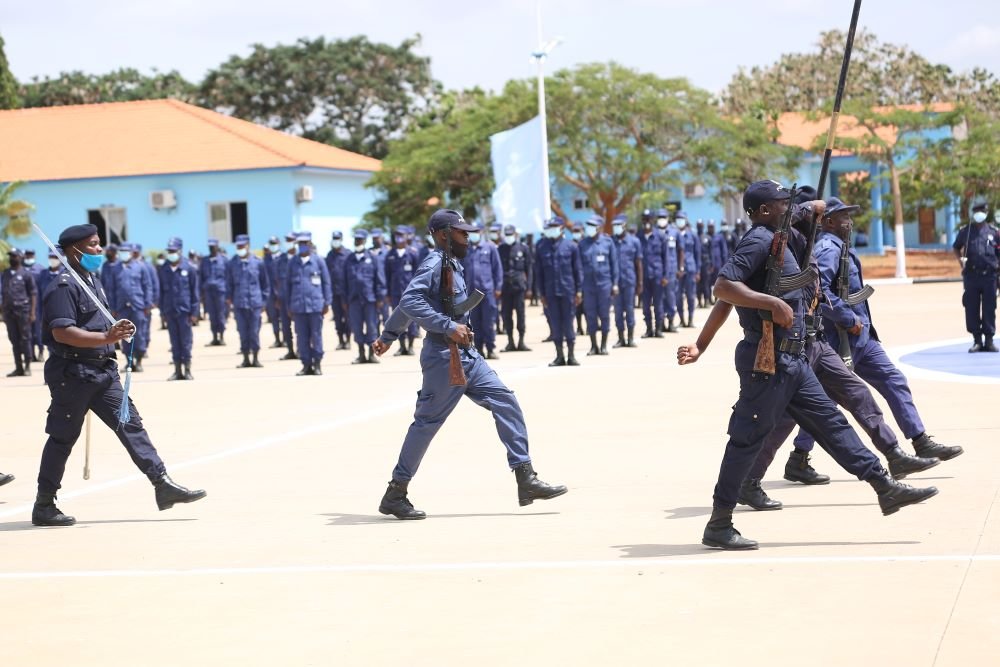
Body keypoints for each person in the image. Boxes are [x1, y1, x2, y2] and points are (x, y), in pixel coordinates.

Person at [694, 180, 937, 550]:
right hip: (767, 359)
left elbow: (813, 208)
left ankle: (883, 486)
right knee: (747, 439)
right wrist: (770, 304)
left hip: (795, 357)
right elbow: (724, 287)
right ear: (763, 211)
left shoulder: (783, 236)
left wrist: (814, 207)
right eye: (780, 204)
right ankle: (719, 523)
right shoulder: (759, 239)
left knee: (832, 423)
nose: (788, 208)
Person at [372, 209, 567, 519]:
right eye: (461, 233)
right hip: (442, 358)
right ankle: (396, 492)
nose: (468, 237)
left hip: (468, 356)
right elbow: (410, 300)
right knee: (426, 425)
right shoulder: (434, 263)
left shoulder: (453, 264)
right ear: (442, 235)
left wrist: (389, 334)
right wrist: (442, 327)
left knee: (505, 400)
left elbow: (415, 303)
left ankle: (525, 477)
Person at [31, 223, 206, 527]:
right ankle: (44, 504)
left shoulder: (91, 281)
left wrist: (117, 332)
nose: (100, 250)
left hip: (102, 373)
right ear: (75, 251)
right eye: (94, 245)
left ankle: (162, 484)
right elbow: (62, 332)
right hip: (73, 374)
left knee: (131, 425)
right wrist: (105, 338)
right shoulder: (63, 285)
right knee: (62, 439)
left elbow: (99, 326)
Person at [791, 197, 965, 462]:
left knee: (893, 380)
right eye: (843, 217)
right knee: (828, 398)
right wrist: (848, 318)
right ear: (827, 222)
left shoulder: (842, 246)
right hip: (840, 337)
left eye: (850, 216)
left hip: (862, 337)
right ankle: (799, 457)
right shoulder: (828, 247)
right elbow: (819, 291)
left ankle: (920, 440)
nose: (849, 222)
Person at [535, 217, 583, 366]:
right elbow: (539, 272)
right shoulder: (541, 246)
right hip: (550, 293)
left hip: (568, 291)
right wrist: (541, 293)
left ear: (562, 228)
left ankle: (571, 355)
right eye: (550, 227)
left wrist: (579, 291)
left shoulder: (571, 246)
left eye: (554, 226)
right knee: (555, 324)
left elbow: (578, 270)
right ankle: (559, 356)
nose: (551, 229)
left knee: (568, 323)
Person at [953, 201, 999, 352]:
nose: (979, 213)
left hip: (990, 276)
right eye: (977, 210)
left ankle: (989, 340)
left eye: (982, 210)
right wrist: (961, 263)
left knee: (989, 308)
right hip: (971, 276)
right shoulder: (966, 231)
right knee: (971, 307)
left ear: (986, 212)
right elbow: (956, 247)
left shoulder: (994, 232)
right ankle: (977, 340)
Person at [284, 231, 331, 376]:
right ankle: (306, 365)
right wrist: (289, 306)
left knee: (316, 335)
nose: (302, 246)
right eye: (300, 244)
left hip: (316, 305)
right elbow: (287, 286)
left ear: (310, 244)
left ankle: (317, 364)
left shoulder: (318, 261)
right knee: (301, 337)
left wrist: (327, 302)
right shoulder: (292, 263)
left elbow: (326, 283)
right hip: (298, 306)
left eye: (305, 243)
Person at [159, 237, 199, 381]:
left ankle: (187, 370)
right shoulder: (164, 269)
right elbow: (161, 293)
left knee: (186, 342)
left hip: (185, 312)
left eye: (173, 251)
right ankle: (177, 370)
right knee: (174, 342)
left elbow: (195, 292)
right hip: (170, 311)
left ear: (180, 251)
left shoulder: (189, 268)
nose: (171, 253)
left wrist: (195, 312)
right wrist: (162, 312)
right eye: (169, 251)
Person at [461, 222, 504, 359]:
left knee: (488, 322)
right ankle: (479, 349)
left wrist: (498, 287)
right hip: (471, 294)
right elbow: (460, 271)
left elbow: (497, 269)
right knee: (474, 322)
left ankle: (490, 348)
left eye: (476, 231)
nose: (473, 234)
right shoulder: (464, 249)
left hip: (487, 292)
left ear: (481, 232)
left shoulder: (490, 247)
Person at [227, 234, 270, 369]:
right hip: (239, 304)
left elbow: (265, 284)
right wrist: (229, 300)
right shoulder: (232, 263)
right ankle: (245, 358)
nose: (240, 248)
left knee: (254, 331)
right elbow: (229, 284)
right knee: (242, 332)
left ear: (248, 246)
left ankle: (255, 358)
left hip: (255, 303)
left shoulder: (258, 262)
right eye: (238, 246)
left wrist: (263, 302)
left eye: (242, 246)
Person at [344, 229, 385, 365]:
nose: (358, 242)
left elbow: (380, 279)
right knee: (356, 327)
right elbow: (344, 281)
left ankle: (371, 354)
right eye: (356, 239)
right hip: (354, 299)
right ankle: (361, 354)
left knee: (372, 327)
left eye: (360, 240)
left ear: (365, 241)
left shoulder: (372, 258)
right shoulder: (349, 259)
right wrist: (345, 300)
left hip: (370, 299)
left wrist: (380, 298)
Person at [579, 215, 619, 355]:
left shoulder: (608, 242)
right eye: (588, 225)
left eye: (592, 225)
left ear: (599, 227)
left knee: (604, 315)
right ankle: (593, 345)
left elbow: (614, 265)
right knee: (590, 316)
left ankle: (603, 345)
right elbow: (578, 267)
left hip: (604, 285)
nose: (589, 228)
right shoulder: (582, 244)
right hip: (588, 286)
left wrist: (615, 284)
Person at [111, 243, 153, 373]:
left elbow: (147, 286)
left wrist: (147, 304)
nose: (123, 253)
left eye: (126, 251)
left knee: (139, 334)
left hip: (138, 306)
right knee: (125, 335)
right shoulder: (115, 268)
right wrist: (112, 307)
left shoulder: (140, 267)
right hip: (121, 307)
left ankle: (139, 361)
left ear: (131, 252)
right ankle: (129, 362)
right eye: (121, 251)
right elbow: (111, 290)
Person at [383, 226, 421, 356]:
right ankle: (401, 346)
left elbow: (418, 274)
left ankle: (410, 346)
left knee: (411, 320)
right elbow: (386, 276)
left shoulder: (413, 253)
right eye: (397, 235)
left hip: (411, 293)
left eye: (401, 235)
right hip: (395, 293)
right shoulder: (390, 255)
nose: (399, 238)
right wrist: (387, 294)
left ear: (406, 237)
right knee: (397, 320)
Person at [498, 223, 533, 352]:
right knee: (506, 315)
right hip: (505, 287)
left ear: (515, 234)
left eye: (510, 234)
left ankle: (521, 341)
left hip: (519, 287)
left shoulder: (523, 248)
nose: (508, 237)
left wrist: (529, 288)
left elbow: (529, 269)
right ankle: (510, 342)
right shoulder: (500, 249)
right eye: (506, 235)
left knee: (521, 315)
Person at [2, 248, 37, 377]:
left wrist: (32, 312)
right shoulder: (5, 273)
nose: (12, 258)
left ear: (21, 257)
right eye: (11, 256)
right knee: (14, 340)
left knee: (25, 338)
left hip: (23, 311)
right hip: (9, 312)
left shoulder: (26, 274)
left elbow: (33, 293)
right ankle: (19, 367)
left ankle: (27, 365)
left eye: (14, 256)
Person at [612, 214, 642, 348]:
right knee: (618, 311)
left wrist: (640, 283)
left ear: (624, 226)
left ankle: (630, 338)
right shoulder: (611, 242)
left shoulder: (634, 241)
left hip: (630, 281)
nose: (616, 228)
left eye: (618, 225)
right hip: (616, 283)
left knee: (629, 310)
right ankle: (620, 338)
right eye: (614, 226)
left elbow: (638, 264)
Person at [639, 210, 668, 338]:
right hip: (644, 277)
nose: (646, 222)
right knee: (645, 305)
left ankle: (659, 329)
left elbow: (665, 257)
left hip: (657, 275)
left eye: (648, 219)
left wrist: (665, 276)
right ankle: (649, 329)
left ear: (652, 220)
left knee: (658, 304)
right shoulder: (638, 237)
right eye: (644, 219)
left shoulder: (660, 236)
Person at [325, 231, 352, 351]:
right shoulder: (329, 255)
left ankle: (348, 340)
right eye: (334, 238)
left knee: (348, 317)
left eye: (338, 238)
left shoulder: (348, 254)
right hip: (334, 292)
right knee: (337, 318)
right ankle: (340, 340)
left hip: (346, 292)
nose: (336, 240)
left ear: (341, 239)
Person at [199, 239, 229, 347]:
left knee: (220, 314)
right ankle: (214, 337)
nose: (211, 248)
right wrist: (201, 293)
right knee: (212, 314)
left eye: (213, 246)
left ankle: (221, 336)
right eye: (209, 246)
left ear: (217, 246)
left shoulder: (224, 260)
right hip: (208, 291)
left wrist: (229, 293)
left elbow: (228, 277)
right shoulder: (205, 261)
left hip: (220, 291)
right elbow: (201, 277)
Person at [275, 232, 299, 361]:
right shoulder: (281, 260)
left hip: (298, 298)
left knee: (300, 327)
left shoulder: (301, 258)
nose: (288, 242)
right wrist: (278, 297)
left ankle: (301, 350)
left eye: (290, 240)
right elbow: (277, 280)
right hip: (284, 298)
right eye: (287, 240)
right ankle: (290, 350)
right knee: (285, 326)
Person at [675, 212, 700, 327]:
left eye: (681, 219)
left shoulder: (693, 235)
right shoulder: (673, 235)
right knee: (678, 296)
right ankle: (681, 320)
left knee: (690, 296)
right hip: (677, 271)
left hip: (690, 269)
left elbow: (697, 253)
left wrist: (698, 271)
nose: (679, 221)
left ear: (685, 220)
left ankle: (690, 319)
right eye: (678, 219)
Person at [263, 236, 284, 349]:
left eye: (275, 243)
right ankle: (277, 339)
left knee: (285, 318)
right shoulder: (266, 259)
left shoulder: (284, 257)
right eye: (271, 243)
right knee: (274, 318)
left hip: (282, 293)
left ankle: (286, 339)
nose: (273, 245)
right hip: (270, 293)